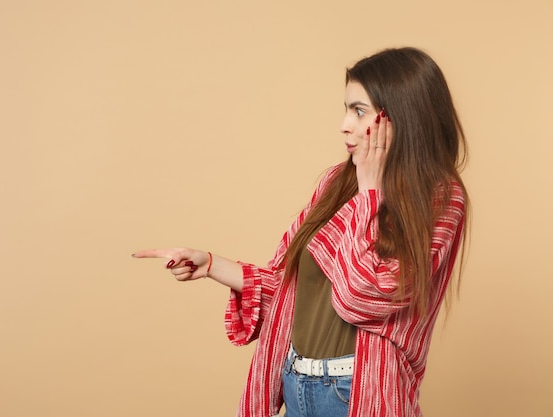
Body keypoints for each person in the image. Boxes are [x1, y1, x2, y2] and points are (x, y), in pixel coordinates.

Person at [133, 47, 469, 417]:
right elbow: (291, 290)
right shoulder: (334, 184)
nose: (344, 124)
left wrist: (370, 193)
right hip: (296, 384)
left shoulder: (439, 198)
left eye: (359, 110)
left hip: (357, 393)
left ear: (401, 117)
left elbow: (363, 297)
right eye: (345, 109)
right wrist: (210, 264)